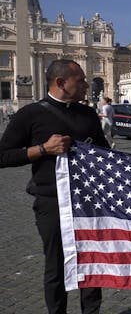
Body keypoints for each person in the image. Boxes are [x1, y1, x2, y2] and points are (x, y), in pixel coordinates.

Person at [0, 59, 108, 314]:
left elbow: (104, 153)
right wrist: (42, 150)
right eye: (80, 80)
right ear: (61, 83)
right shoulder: (30, 114)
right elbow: (3, 156)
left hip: (87, 200)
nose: (86, 85)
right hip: (52, 202)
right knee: (56, 266)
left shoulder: (88, 113)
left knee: (91, 263)